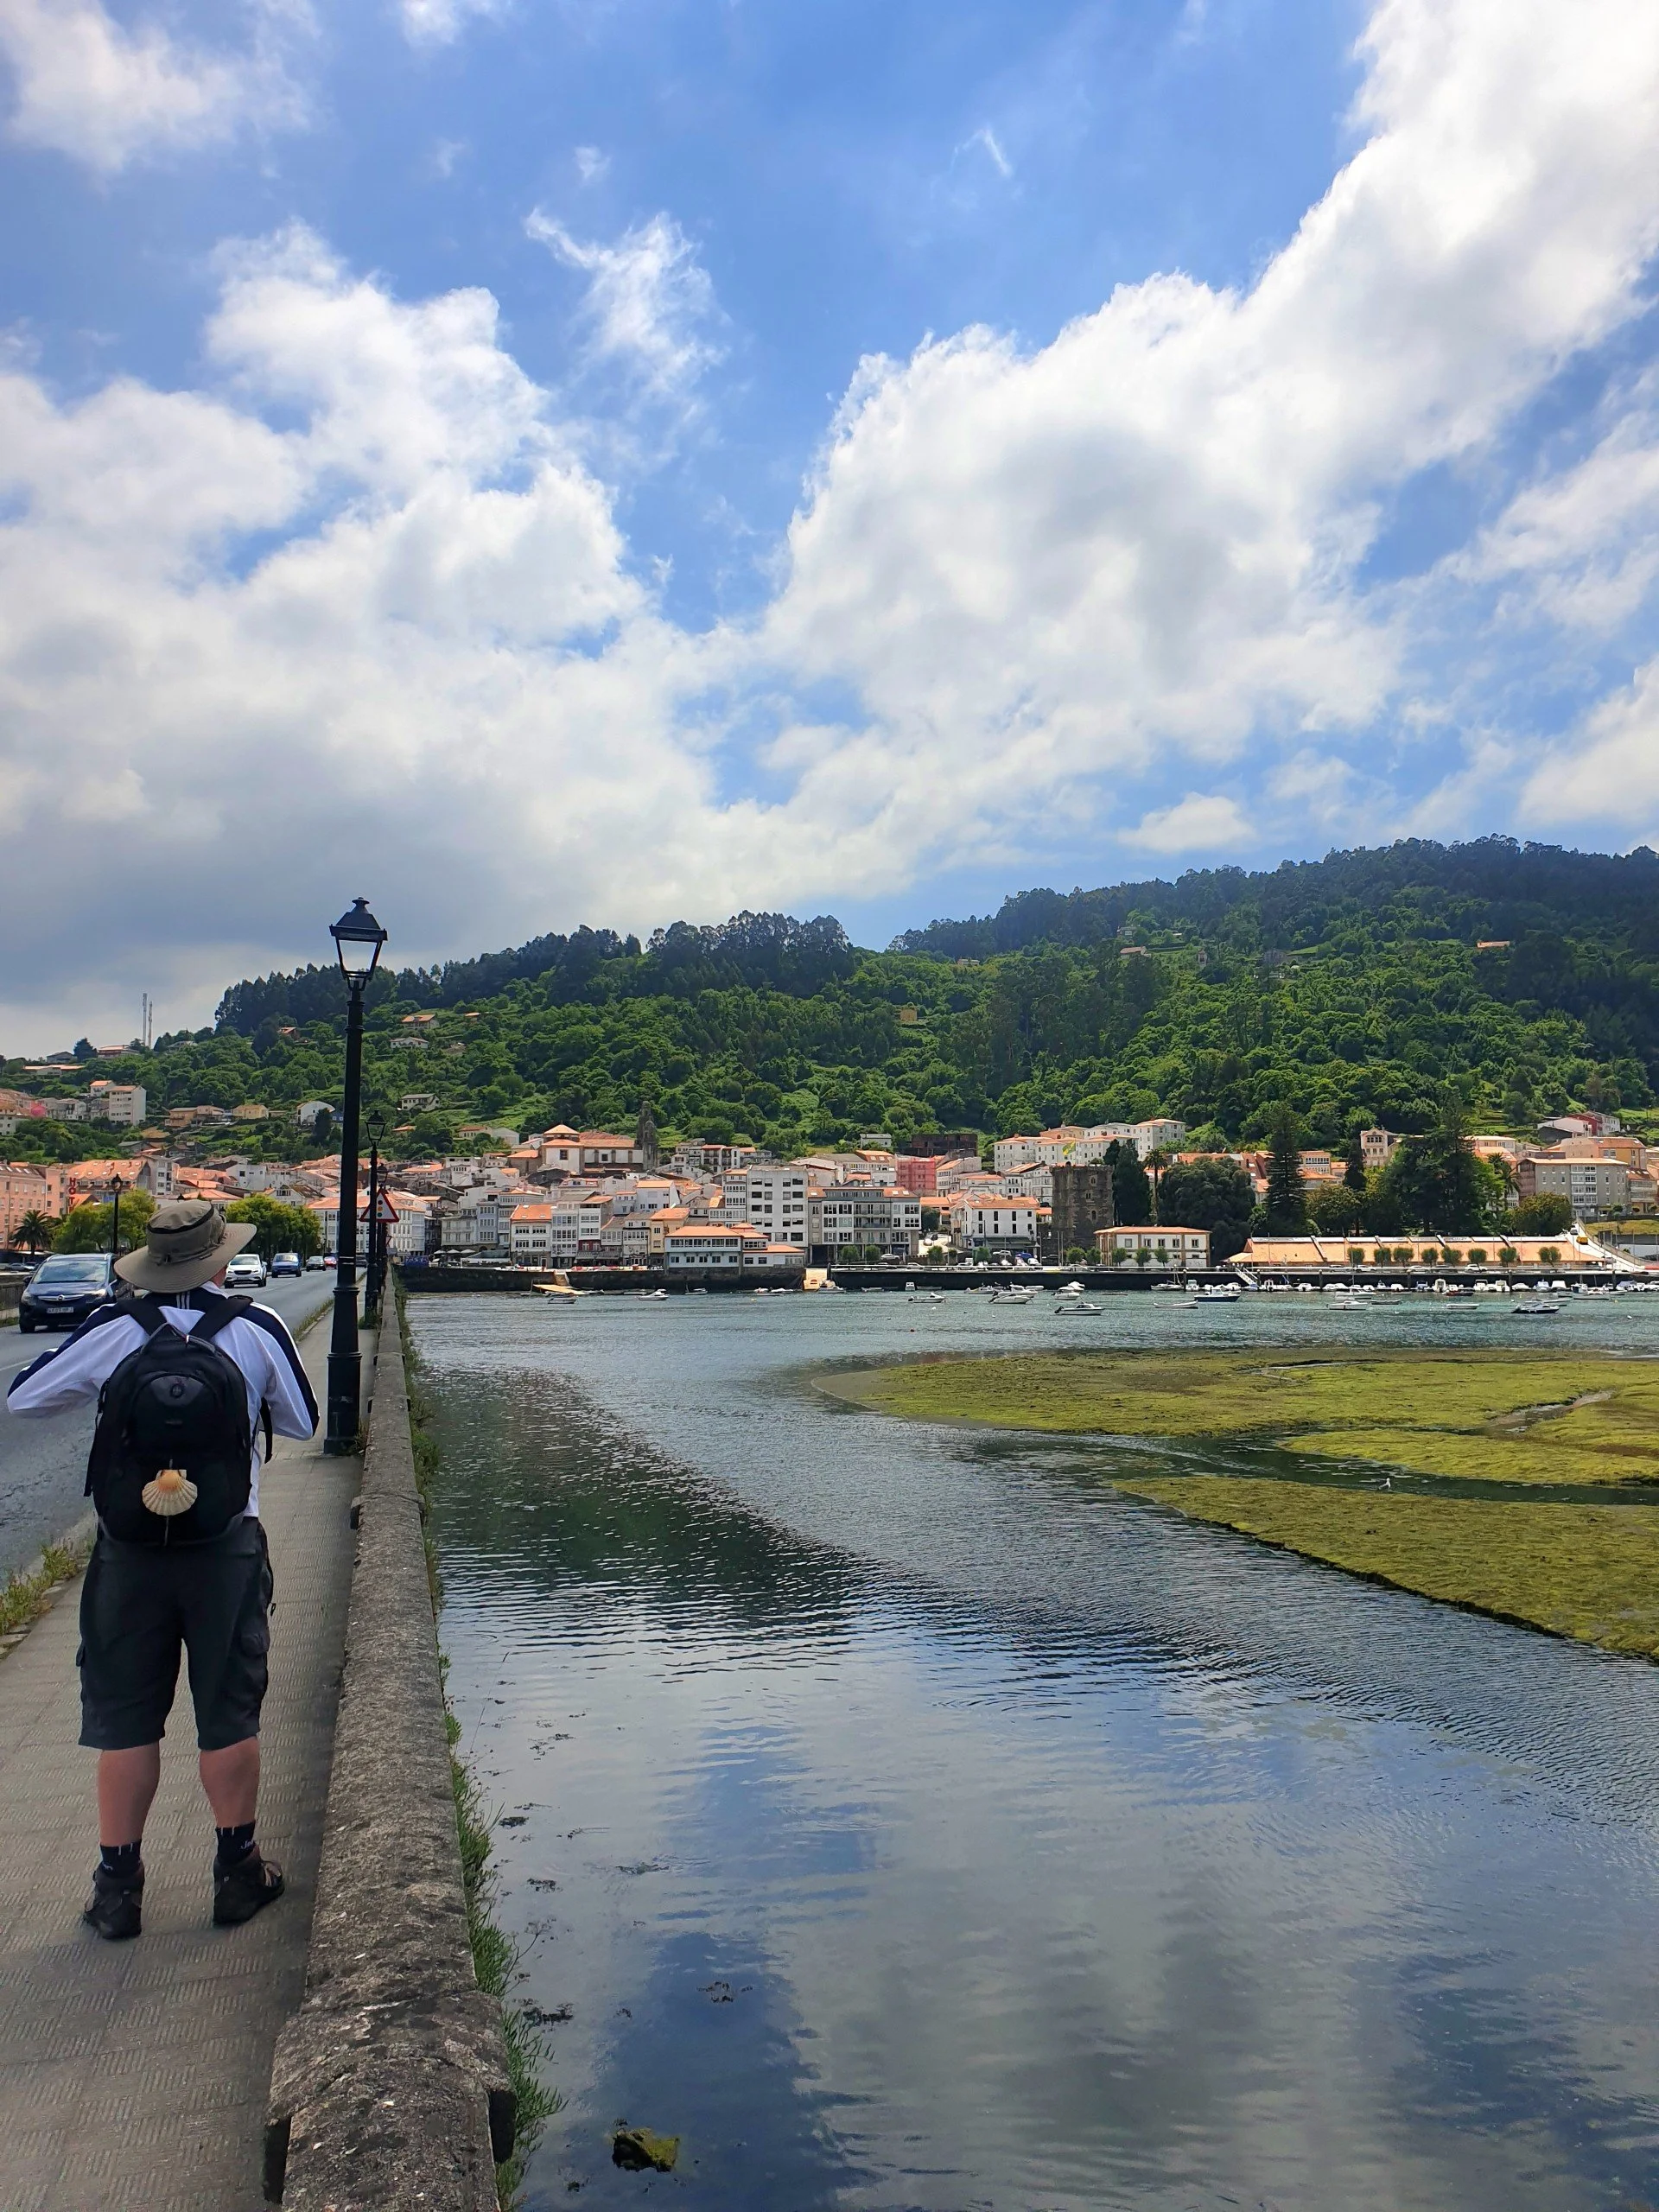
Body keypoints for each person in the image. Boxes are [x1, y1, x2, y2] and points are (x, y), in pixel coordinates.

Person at [7, 1198, 318, 1940]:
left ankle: (118, 1889)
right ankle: (237, 1873)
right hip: (227, 1549)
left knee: (125, 1720)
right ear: (220, 1262)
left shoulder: (112, 1327)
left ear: (148, 1265)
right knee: (228, 1713)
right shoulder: (256, 1327)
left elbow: (25, 1400)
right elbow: (304, 1423)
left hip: (129, 1554)